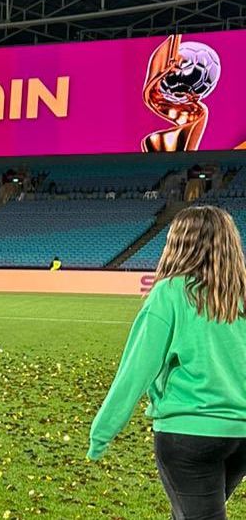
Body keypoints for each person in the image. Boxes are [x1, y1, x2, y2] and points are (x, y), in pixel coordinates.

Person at [88, 206, 246, 519]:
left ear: (178, 244)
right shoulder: (239, 296)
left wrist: (102, 433)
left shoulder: (169, 293)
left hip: (189, 435)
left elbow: (135, 371)